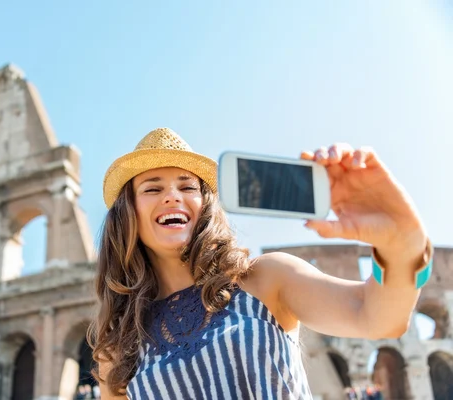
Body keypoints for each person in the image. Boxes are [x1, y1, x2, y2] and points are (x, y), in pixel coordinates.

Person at [87, 128, 433, 399]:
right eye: (152, 188)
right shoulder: (119, 346)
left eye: (187, 186)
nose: (172, 195)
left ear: (205, 206)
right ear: (127, 214)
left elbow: (377, 316)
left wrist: (400, 245)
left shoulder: (266, 278)